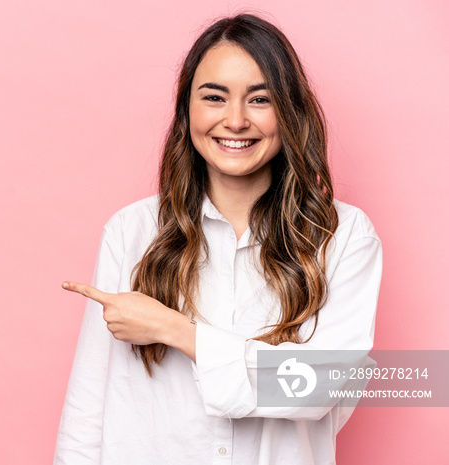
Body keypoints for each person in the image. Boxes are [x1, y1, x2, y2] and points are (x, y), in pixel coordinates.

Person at [55, 13, 382, 465]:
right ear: (187, 108)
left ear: (289, 111)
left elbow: (317, 387)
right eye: (214, 97)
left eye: (260, 99)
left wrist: (174, 330)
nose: (235, 120)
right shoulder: (131, 232)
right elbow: (87, 411)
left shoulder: (344, 237)